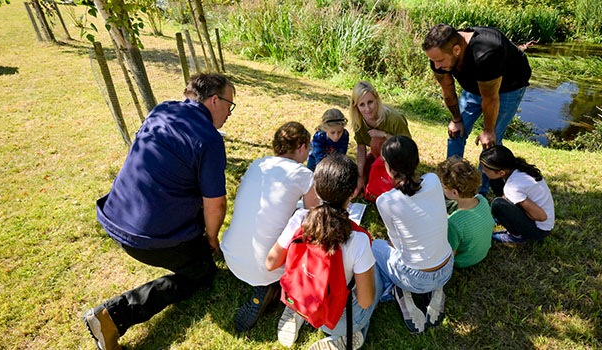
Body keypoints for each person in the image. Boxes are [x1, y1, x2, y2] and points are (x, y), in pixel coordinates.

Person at [82, 73, 236, 350]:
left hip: (114, 215)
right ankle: (114, 316)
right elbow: (216, 203)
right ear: (215, 100)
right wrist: (211, 239)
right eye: (229, 105)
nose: (228, 113)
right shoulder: (209, 139)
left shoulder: (162, 109)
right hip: (146, 238)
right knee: (202, 272)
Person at [265, 154, 381, 350]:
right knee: (376, 277)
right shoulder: (359, 239)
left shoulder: (300, 219)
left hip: (298, 299)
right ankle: (351, 334)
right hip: (335, 320)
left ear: (316, 188)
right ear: (353, 192)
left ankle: (296, 313)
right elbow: (365, 300)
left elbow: (270, 263)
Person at [220, 121, 319, 332]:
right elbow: (313, 215)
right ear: (301, 146)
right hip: (268, 266)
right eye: (308, 148)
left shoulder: (258, 164)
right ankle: (269, 289)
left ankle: (262, 287)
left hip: (231, 256)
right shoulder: (303, 174)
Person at [422, 24, 532, 195]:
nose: (436, 66)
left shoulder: (486, 52)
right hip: (476, 84)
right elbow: (448, 89)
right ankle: (451, 184)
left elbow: (490, 98)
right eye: (433, 60)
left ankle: (478, 191)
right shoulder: (440, 53)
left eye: (440, 61)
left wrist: (488, 130)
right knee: (455, 132)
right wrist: (456, 120)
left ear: (456, 50)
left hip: (509, 86)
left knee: (490, 142)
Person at [372, 136, 453, 334]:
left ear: (389, 167)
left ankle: (402, 291)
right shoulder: (434, 180)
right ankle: (436, 289)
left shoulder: (385, 200)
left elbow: (396, 243)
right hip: (447, 266)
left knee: (375, 246)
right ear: (416, 161)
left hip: (414, 277)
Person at [479, 145, 554, 243]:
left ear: (501, 172)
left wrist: (513, 210)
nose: (482, 171)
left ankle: (516, 236)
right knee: (494, 180)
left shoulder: (512, 188)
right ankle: (507, 218)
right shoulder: (516, 168)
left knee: (498, 204)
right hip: (541, 222)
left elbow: (541, 216)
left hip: (539, 230)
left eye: (486, 169)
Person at [350, 81, 412, 197]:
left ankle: (397, 179)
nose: (367, 109)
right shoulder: (358, 121)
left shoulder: (394, 118)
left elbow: (408, 148)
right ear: (356, 106)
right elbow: (361, 149)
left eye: (370, 102)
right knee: (358, 172)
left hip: (399, 158)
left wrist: (384, 135)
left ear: (377, 99)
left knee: (376, 141)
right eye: (362, 105)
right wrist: (360, 176)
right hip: (378, 155)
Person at [436, 157, 494, 268]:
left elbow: (449, 256)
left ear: (454, 192)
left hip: (463, 261)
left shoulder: (453, 223)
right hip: (480, 253)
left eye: (443, 187)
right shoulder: (482, 201)